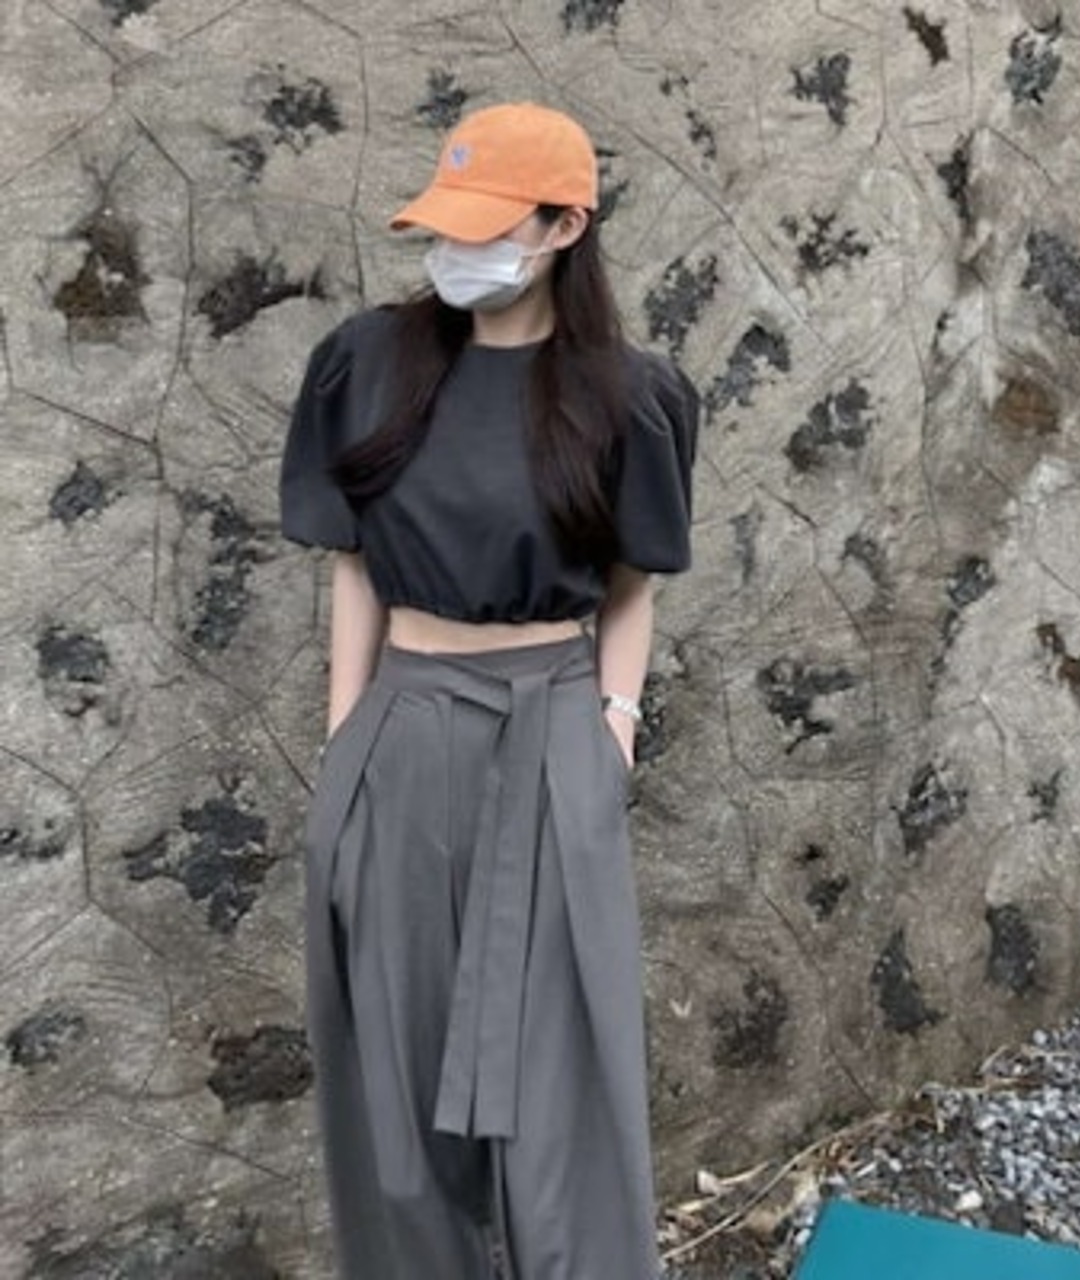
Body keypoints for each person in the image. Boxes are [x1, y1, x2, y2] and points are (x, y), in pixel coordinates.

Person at [278, 101, 699, 1280]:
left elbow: (631, 582)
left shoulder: (628, 394)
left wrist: (612, 728)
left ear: (565, 226)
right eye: (443, 225)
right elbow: (351, 565)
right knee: (398, 1078)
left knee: (567, 1083)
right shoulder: (367, 362)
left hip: (555, 724)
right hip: (403, 726)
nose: (456, 250)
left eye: (487, 225)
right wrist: (346, 744)